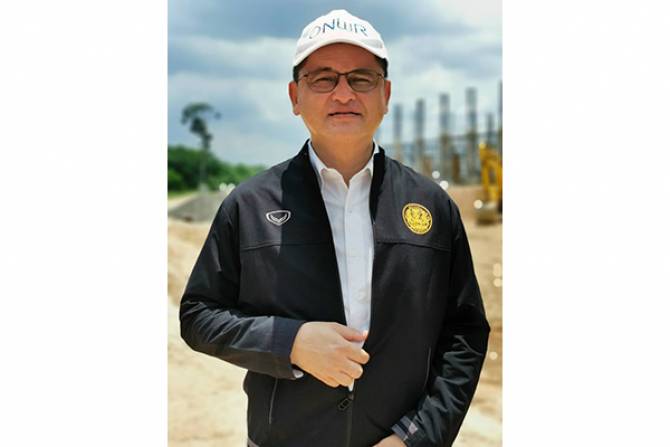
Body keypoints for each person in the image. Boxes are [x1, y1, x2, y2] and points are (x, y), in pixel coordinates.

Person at [179, 9, 490, 447]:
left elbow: (464, 333)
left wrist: (415, 438)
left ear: (385, 94)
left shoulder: (433, 207)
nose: (344, 93)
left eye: (361, 78)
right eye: (323, 79)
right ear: (295, 96)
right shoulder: (249, 206)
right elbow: (198, 315)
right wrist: (289, 342)